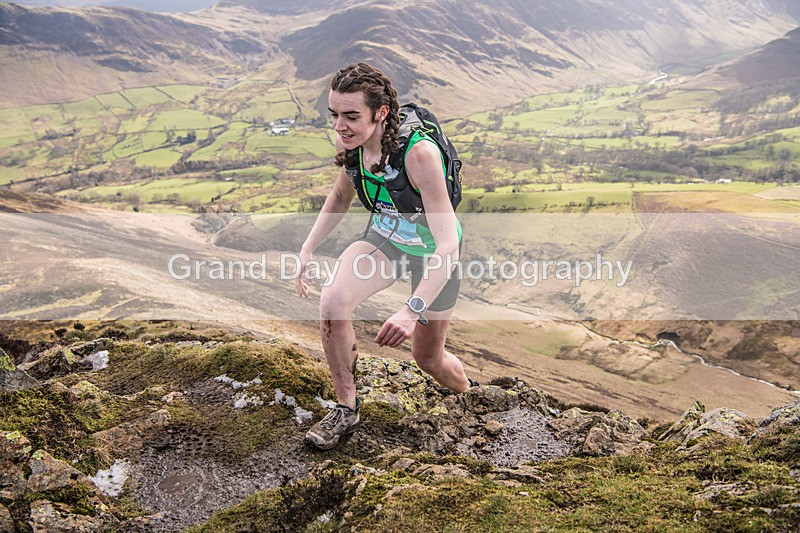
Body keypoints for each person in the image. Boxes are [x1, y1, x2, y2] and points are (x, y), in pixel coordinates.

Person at [295, 62, 476, 451]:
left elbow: (448, 246)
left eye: (351, 116)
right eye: (335, 115)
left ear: (381, 113)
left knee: (429, 360)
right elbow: (341, 196)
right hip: (386, 239)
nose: (340, 127)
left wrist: (411, 311)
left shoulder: (419, 154)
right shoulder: (351, 144)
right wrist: (309, 248)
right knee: (333, 299)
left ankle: (471, 397)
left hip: (433, 254)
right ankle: (346, 408)